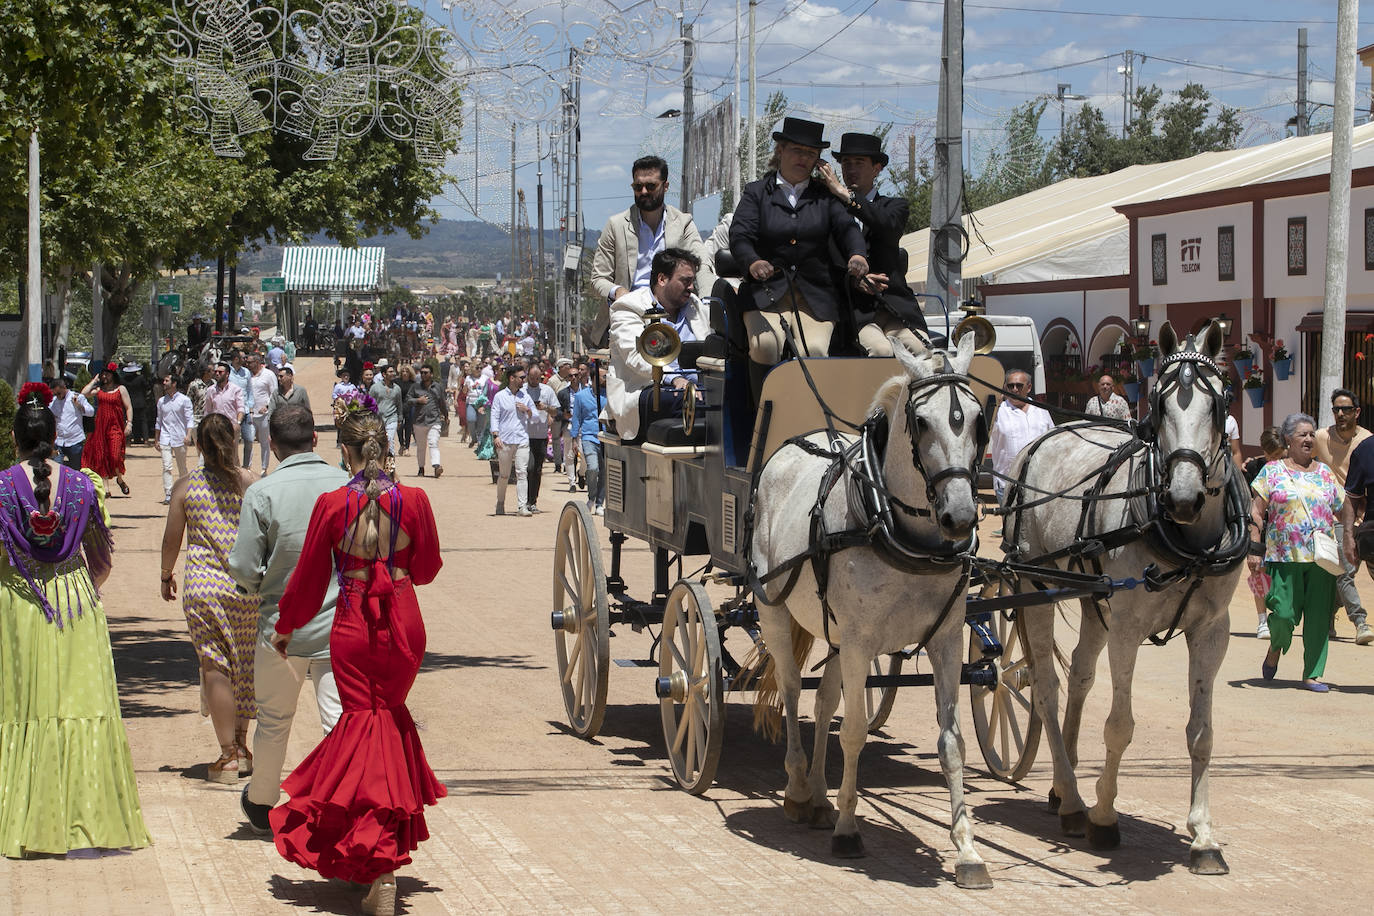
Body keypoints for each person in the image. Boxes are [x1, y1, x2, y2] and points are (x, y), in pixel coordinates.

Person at [268, 405, 445, 915]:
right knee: (384, 726)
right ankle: (377, 858)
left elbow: (304, 583)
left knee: (361, 729)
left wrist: (286, 628)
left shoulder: (330, 504)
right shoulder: (413, 499)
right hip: (403, 622)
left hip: (350, 625)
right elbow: (428, 569)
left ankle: (378, 862)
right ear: (386, 447)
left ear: (343, 451)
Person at [0, 383, 151, 858]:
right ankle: (84, 814)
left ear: (13, 438)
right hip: (75, 603)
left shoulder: (2, 487)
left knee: (24, 707)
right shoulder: (85, 485)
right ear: (54, 437)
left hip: (21, 603)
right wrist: (80, 591)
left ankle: (25, 815)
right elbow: (101, 561)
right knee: (77, 705)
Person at [227, 405, 348, 836]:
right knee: (338, 720)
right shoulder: (346, 485)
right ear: (315, 438)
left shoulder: (263, 492)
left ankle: (261, 800)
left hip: (281, 627)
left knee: (274, 720)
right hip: (341, 625)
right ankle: (346, 800)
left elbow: (243, 565)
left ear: (272, 446)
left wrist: (263, 584)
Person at [729, 117, 868, 402]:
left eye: (810, 153)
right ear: (780, 150)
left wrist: (857, 254)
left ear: (817, 159)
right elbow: (740, 235)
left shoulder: (825, 197)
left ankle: (809, 421)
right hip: (766, 294)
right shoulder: (756, 192)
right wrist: (753, 262)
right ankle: (763, 418)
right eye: (796, 150)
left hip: (814, 297)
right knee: (765, 344)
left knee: (814, 351)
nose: (803, 158)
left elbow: (847, 229)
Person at [159, 413, 260, 779]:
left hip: (203, 589)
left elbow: (173, 539)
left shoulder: (186, 487)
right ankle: (243, 746)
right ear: (234, 443)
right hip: (246, 589)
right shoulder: (251, 483)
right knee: (244, 666)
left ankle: (228, 755)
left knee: (215, 666)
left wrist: (166, 574)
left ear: (198, 445)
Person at [1251, 413, 1344, 692]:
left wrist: (1353, 530)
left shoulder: (1326, 473)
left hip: (1320, 557)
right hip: (1282, 554)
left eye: (1312, 434)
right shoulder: (1272, 471)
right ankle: (1276, 647)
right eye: (1302, 434)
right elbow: (1256, 511)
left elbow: (1342, 507)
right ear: (1288, 439)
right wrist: (1255, 548)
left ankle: (1313, 674)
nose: (1308, 439)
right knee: (1282, 615)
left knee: (1318, 617)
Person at [588, 155, 715, 348]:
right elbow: (598, 279)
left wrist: (708, 303)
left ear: (665, 186)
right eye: (638, 187)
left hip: (674, 310)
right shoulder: (616, 225)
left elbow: (702, 265)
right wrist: (619, 292)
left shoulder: (683, 223)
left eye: (651, 186)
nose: (644, 192)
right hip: (630, 310)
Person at [821, 132, 928, 355]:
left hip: (895, 309)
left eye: (859, 163)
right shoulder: (829, 212)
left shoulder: (895, 207)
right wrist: (854, 281)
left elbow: (886, 226)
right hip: (854, 312)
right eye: (846, 163)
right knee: (881, 351)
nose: (851, 169)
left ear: (877, 168)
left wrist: (847, 196)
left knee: (921, 349)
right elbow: (825, 262)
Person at [607, 247, 711, 440]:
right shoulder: (628, 307)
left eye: (692, 281)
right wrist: (675, 379)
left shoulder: (696, 306)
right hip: (646, 390)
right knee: (686, 400)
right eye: (685, 281)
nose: (691, 287)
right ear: (662, 279)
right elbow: (637, 356)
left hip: (698, 388)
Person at [1314, 387, 1373, 644]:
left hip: (1366, 517)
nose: (1340, 414)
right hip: (1337, 515)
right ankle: (1360, 621)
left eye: (1346, 409)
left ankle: (1327, 614)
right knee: (1345, 572)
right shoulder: (1320, 437)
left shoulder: (1366, 441)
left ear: (1357, 412)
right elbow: (1301, 456)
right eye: (1336, 409)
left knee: (1348, 571)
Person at [1243, 427, 1286, 639]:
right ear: (1264, 451)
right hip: (1259, 528)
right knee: (1258, 572)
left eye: (1280, 455)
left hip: (1282, 530)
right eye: (1272, 455)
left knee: (1279, 574)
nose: (1276, 460)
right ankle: (1262, 620)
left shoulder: (1289, 468)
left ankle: (1278, 615)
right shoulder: (1253, 467)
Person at [989, 369, 1054, 503]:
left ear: (1029, 387)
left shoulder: (1041, 410)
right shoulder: (997, 412)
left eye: (1019, 386)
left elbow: (1053, 441)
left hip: (1039, 483)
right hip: (1007, 484)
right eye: (1010, 386)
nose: (1014, 389)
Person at [80, 362, 133, 496]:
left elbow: (128, 407)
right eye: (103, 374)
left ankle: (120, 480)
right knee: (101, 455)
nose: (104, 376)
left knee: (115, 456)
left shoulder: (120, 389)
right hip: (100, 427)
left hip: (115, 427)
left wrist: (129, 423)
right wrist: (94, 380)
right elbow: (84, 393)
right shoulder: (100, 390)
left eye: (106, 374)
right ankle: (106, 488)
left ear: (113, 375)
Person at [491, 366, 535, 516]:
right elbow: (494, 416)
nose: (524, 380)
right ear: (512, 378)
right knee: (504, 475)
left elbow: (535, 417)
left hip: (522, 439)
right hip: (505, 440)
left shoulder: (526, 396)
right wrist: (495, 435)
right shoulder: (500, 396)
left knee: (522, 472)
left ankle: (522, 506)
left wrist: (527, 410)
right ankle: (500, 502)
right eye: (521, 377)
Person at [572, 363, 609, 515]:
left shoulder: (609, 395)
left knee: (604, 471)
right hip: (588, 436)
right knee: (593, 468)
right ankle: (591, 497)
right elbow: (576, 418)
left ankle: (600, 503)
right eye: (603, 376)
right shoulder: (581, 397)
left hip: (607, 438)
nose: (606, 378)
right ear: (594, 378)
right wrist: (574, 438)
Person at [522, 365, 559, 513]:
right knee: (528, 468)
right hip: (524, 436)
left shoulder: (547, 390)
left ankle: (533, 501)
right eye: (532, 378)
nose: (534, 381)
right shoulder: (522, 390)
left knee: (537, 470)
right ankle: (524, 500)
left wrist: (546, 408)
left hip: (541, 436)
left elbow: (556, 410)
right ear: (527, 376)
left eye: (537, 378)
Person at [155, 373, 194, 505]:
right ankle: (168, 494)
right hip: (165, 437)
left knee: (182, 467)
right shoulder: (161, 401)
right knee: (167, 466)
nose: (164, 383)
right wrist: (156, 439)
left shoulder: (184, 400)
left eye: (166, 381)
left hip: (180, 437)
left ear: (174, 383)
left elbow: (189, 419)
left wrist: (188, 435)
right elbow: (159, 421)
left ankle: (184, 491)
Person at [407, 364, 446, 477]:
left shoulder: (437, 387)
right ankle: (421, 468)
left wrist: (446, 415)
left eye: (426, 372)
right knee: (421, 447)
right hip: (419, 421)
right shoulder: (415, 387)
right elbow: (408, 400)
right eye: (422, 372)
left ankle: (436, 465)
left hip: (434, 420)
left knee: (433, 442)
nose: (423, 374)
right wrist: (418, 400)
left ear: (431, 374)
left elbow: (442, 402)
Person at [48, 374, 94, 466]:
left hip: (75, 441)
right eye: (55, 394)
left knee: (76, 469)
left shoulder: (77, 397)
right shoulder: (54, 402)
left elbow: (91, 412)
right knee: (57, 468)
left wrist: (79, 406)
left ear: (64, 387)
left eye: (59, 393)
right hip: (59, 442)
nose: (57, 396)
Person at [244, 353, 278, 475]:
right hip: (249, 414)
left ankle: (264, 468)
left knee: (264, 442)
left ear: (257, 362)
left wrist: (267, 406)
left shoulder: (269, 375)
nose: (247, 365)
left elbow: (274, 393)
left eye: (249, 362)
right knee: (248, 440)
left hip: (264, 415)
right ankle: (247, 466)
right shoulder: (246, 375)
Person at [371, 363, 403, 457]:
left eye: (393, 371)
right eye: (390, 372)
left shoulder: (397, 389)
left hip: (392, 418)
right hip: (378, 419)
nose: (393, 373)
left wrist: (400, 419)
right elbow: (369, 404)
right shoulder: (375, 388)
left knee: (390, 439)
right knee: (378, 441)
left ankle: (390, 463)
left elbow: (399, 404)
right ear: (384, 374)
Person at [206, 361, 247, 427]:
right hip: (215, 427)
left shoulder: (236, 390)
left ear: (227, 374)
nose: (217, 374)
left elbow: (240, 408)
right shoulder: (210, 390)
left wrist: (238, 423)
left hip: (231, 427)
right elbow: (208, 411)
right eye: (216, 371)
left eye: (220, 372)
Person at [187, 361, 213, 449]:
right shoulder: (194, 385)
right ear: (206, 372)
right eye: (212, 371)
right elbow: (189, 402)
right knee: (200, 447)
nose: (214, 373)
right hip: (197, 418)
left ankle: (203, 463)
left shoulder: (214, 384)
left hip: (210, 418)